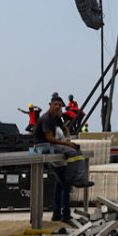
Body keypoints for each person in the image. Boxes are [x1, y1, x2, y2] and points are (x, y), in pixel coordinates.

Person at [38, 93, 76, 222]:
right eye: (56, 105)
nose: (58, 107)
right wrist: (66, 144)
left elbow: (65, 129)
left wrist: (68, 138)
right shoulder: (46, 119)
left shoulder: (58, 118)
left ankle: (57, 213)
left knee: (61, 186)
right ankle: (65, 213)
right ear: (50, 105)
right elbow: (49, 139)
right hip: (46, 148)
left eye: (60, 105)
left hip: (59, 157)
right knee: (65, 186)